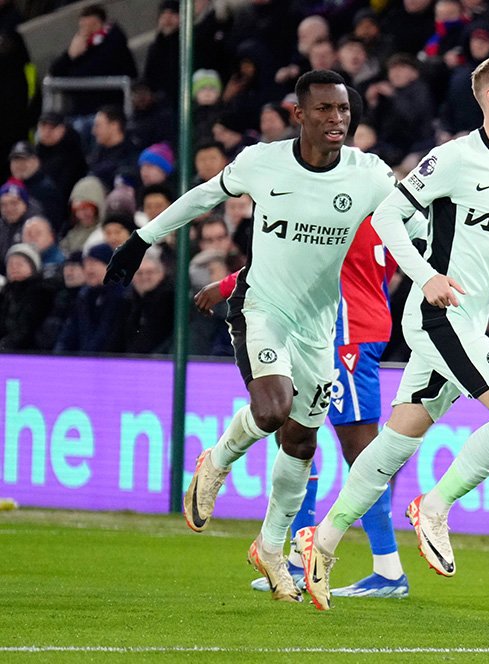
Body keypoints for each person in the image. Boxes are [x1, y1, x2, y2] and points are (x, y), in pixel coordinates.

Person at [102, 70, 396, 604]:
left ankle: (270, 545)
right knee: (271, 410)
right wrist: (144, 239)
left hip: (318, 325)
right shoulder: (262, 162)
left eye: (344, 111)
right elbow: (202, 197)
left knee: (301, 441)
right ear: (299, 116)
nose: (337, 120)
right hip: (261, 306)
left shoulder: (369, 174)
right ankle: (215, 461)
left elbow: (409, 223)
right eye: (325, 110)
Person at [294, 54, 489, 612]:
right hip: (437, 317)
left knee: (392, 443)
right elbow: (390, 215)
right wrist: (427, 275)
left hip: (466, 319)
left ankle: (321, 544)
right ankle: (434, 507)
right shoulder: (454, 159)